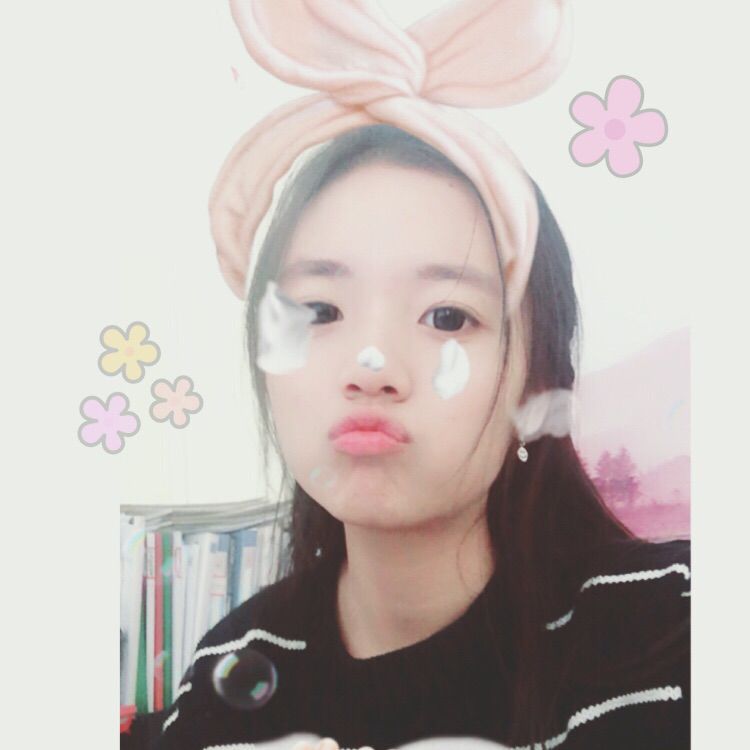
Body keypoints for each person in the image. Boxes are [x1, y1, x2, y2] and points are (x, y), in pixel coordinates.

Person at [121, 2, 689, 748]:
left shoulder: (676, 628)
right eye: (320, 311)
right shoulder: (228, 666)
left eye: (447, 317)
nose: (373, 366)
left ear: (534, 383)